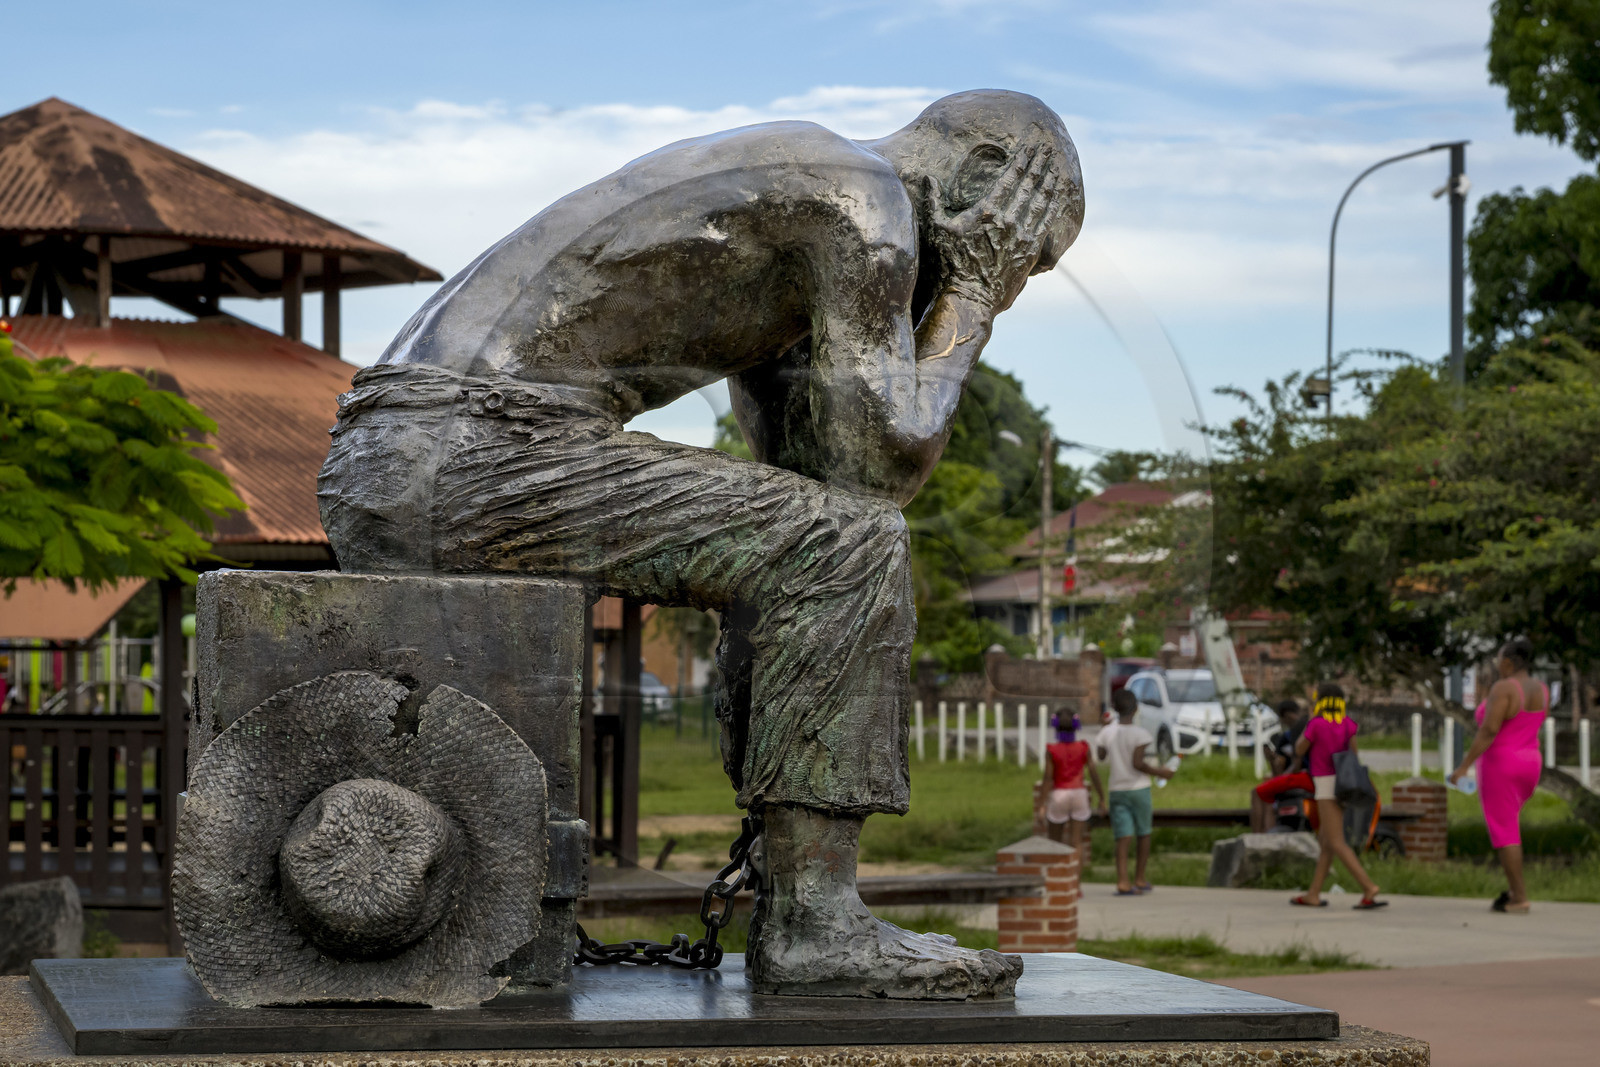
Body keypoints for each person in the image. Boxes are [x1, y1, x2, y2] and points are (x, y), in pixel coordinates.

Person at [317, 91, 1082, 998]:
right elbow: (880, 476)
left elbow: (816, 473)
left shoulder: (816, 190)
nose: (1018, 279)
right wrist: (971, 297)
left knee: (817, 538)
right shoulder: (866, 204)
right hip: (469, 448)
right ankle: (813, 920)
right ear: (983, 184)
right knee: (854, 546)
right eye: (1028, 253)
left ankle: (795, 886)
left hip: (400, 451)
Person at [1450, 638, 1547, 914]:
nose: (1496, 665)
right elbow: (1533, 723)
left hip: (1501, 764)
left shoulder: (1503, 688)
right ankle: (1513, 891)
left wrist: (1465, 765)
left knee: (1506, 831)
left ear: (1508, 662)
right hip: (1530, 762)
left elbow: (1489, 730)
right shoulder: (1541, 689)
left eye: (1498, 660)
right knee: (1509, 826)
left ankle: (1519, 897)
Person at [1291, 683, 1384, 909]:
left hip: (1324, 784)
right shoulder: (1347, 724)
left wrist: (1312, 718)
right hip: (1344, 784)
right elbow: (1354, 753)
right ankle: (1313, 894)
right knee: (1326, 843)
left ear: (1320, 702)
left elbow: (1299, 749)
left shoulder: (1316, 724)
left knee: (1335, 841)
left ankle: (1368, 887)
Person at [1096, 688, 1175, 894]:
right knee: (1144, 834)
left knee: (1122, 837)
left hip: (1117, 790)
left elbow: (1101, 755)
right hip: (1139, 789)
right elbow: (1138, 763)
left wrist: (1103, 728)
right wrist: (1161, 772)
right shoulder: (1141, 734)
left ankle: (1122, 881)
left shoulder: (1107, 732)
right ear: (1137, 709)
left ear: (1114, 708)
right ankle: (1140, 878)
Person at [1038, 713, 1105, 855]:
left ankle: (1056, 875)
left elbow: (1048, 778)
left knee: (1054, 842)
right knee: (1076, 843)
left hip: (1060, 794)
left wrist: (1042, 804)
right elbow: (1093, 773)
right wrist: (1101, 797)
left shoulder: (1052, 750)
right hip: (1079, 794)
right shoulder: (1083, 747)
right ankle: (1076, 876)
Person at [1250, 699, 1311, 832]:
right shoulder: (1292, 733)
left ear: (1286, 717)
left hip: (1307, 777)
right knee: (1268, 792)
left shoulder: (1300, 728)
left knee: (1260, 793)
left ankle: (1259, 840)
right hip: (1315, 777)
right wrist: (1272, 760)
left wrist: (1281, 776)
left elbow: (1297, 763)